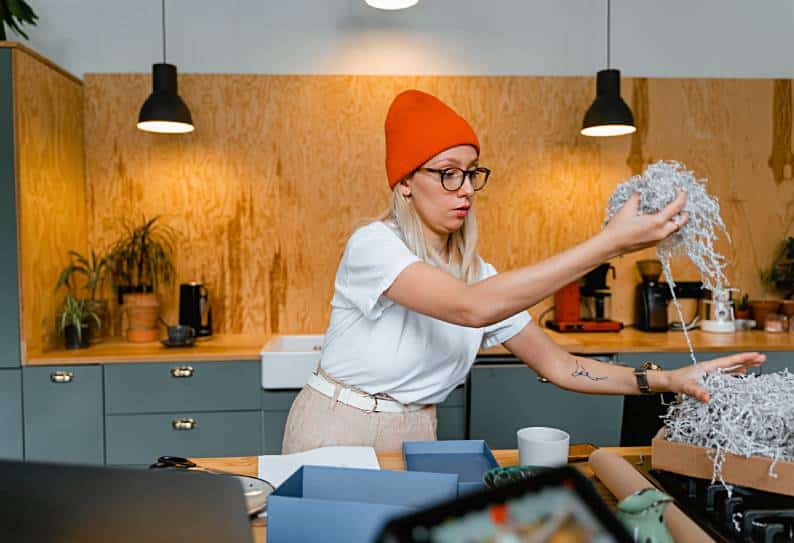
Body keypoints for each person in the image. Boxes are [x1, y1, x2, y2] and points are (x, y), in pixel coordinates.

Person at [281, 89, 765, 453]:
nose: (465, 188)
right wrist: (608, 244)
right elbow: (471, 309)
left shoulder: (477, 273)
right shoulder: (374, 245)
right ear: (406, 182)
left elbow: (560, 366)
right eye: (447, 172)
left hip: (417, 432)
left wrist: (669, 380)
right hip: (338, 427)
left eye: (471, 171)